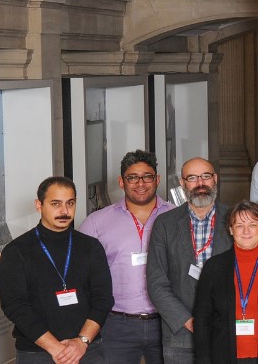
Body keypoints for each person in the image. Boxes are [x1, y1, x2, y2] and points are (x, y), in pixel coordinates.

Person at [0, 176, 112, 363]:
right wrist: (57, 348)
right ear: (39, 205)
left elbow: (103, 298)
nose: (64, 211)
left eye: (70, 203)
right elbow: (16, 307)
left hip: (87, 350)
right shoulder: (16, 251)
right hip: (37, 353)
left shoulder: (91, 247)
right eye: (55, 204)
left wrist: (81, 342)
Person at [80, 150, 174, 363]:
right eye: (132, 177)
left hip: (166, 322)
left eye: (147, 176)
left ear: (157, 179)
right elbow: (82, 275)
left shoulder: (176, 216)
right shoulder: (96, 223)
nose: (140, 183)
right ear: (121, 182)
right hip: (115, 325)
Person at [147, 158, 233, 363]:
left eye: (206, 176)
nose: (200, 183)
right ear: (183, 183)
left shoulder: (235, 219)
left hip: (226, 331)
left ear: (215, 179)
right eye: (192, 178)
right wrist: (188, 321)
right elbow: (156, 283)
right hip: (180, 337)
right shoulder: (165, 224)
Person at [192, 201, 258, 363]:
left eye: (252, 224)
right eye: (239, 225)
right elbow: (202, 319)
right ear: (230, 229)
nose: (246, 231)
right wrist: (203, 359)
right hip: (223, 357)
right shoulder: (213, 267)